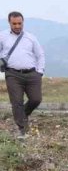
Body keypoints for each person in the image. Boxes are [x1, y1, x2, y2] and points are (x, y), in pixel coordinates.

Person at [1, 11, 45, 140]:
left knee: (36, 99)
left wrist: (40, 71)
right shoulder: (2, 36)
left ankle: (23, 115)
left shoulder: (30, 37)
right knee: (17, 102)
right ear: (9, 23)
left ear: (23, 22)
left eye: (19, 23)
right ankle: (22, 130)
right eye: (14, 23)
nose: (17, 26)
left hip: (32, 74)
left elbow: (40, 54)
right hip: (12, 74)